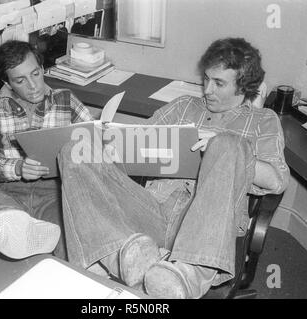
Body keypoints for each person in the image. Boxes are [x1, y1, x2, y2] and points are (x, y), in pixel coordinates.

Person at [54, 37, 290, 298]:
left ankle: (188, 274)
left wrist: (220, 145)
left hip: (207, 229)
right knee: (75, 151)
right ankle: (115, 256)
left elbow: (277, 179)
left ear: (243, 86)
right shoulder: (184, 107)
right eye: (206, 79)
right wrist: (110, 144)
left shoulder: (262, 121)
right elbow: (135, 145)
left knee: (228, 144)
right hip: (153, 211)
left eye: (219, 83)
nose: (207, 89)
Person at [0, 40, 93, 260]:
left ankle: (29, 233)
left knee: (71, 250)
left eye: (35, 74)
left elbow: (92, 138)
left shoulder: (65, 99)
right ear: (6, 82)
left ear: (42, 69)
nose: (33, 86)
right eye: (21, 80)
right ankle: (13, 223)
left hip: (54, 193)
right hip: (3, 192)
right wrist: (17, 168)